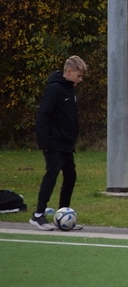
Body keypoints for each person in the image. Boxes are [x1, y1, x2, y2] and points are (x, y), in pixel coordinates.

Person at [30, 56, 88, 231]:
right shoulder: (54, 89)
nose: (80, 79)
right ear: (68, 72)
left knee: (70, 176)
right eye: (78, 75)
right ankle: (38, 214)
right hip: (53, 142)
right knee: (52, 173)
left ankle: (63, 212)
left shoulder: (71, 90)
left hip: (66, 143)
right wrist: (44, 142)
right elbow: (43, 116)